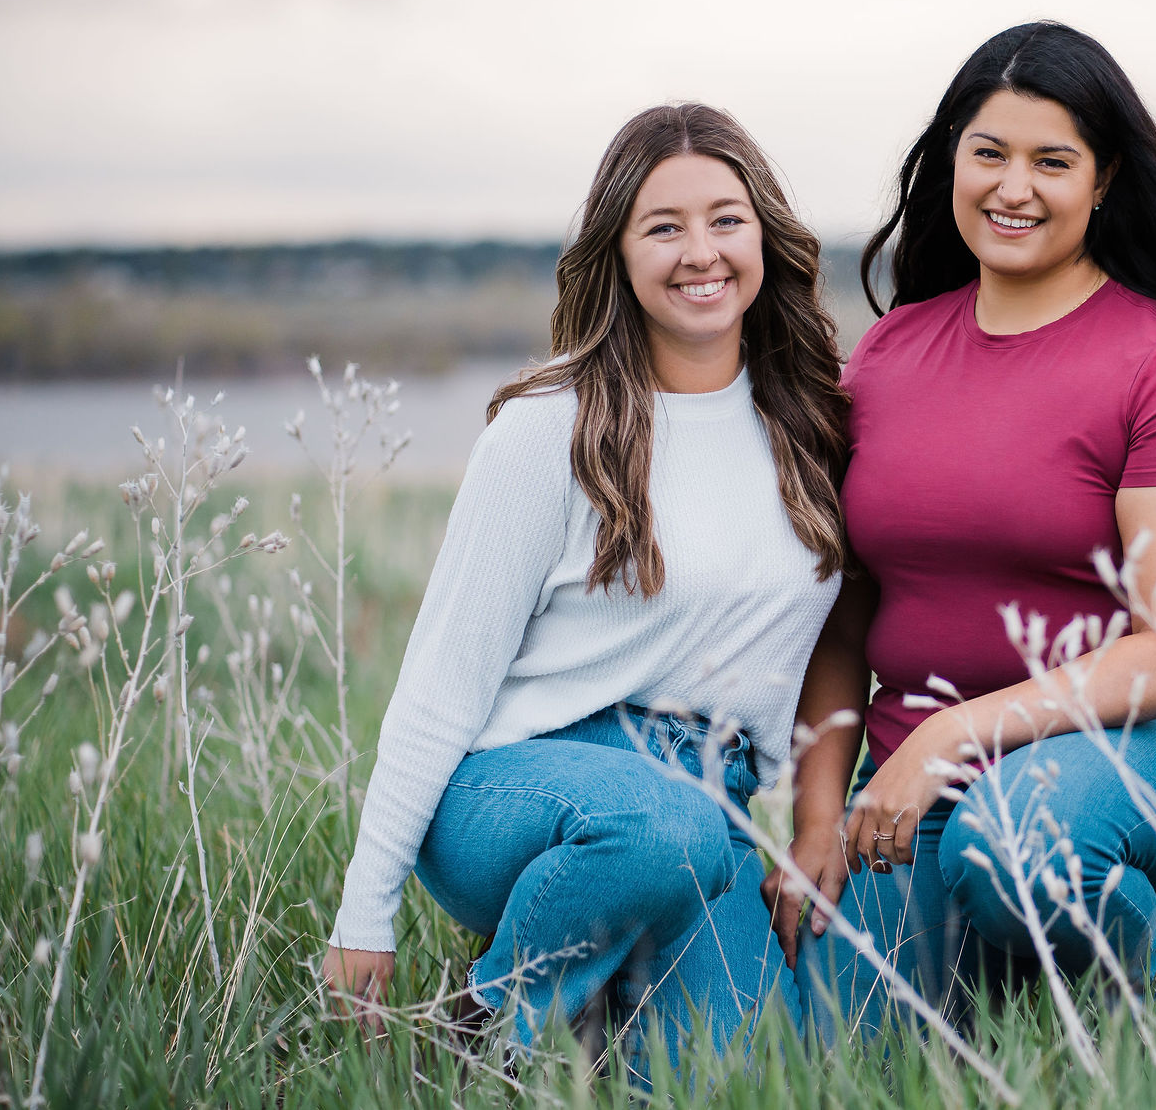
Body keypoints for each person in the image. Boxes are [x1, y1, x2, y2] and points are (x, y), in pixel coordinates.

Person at [765, 22, 1156, 1035]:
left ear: (1103, 181)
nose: (1013, 187)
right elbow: (841, 620)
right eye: (990, 153)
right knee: (832, 1041)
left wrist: (949, 734)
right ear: (952, 162)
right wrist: (819, 818)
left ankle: (1144, 1035)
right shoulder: (886, 357)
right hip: (924, 784)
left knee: (1015, 849)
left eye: (1051, 161)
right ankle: (1026, 964)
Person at [321, 103, 848, 1059]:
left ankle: (595, 1006)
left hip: (710, 804)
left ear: (765, 235)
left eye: (726, 219)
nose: (701, 252)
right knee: (661, 826)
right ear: (619, 251)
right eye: (664, 226)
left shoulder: (808, 424)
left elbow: (833, 645)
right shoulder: (549, 428)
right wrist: (367, 908)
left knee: (753, 1070)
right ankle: (484, 1031)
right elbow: (443, 680)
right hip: (517, 788)